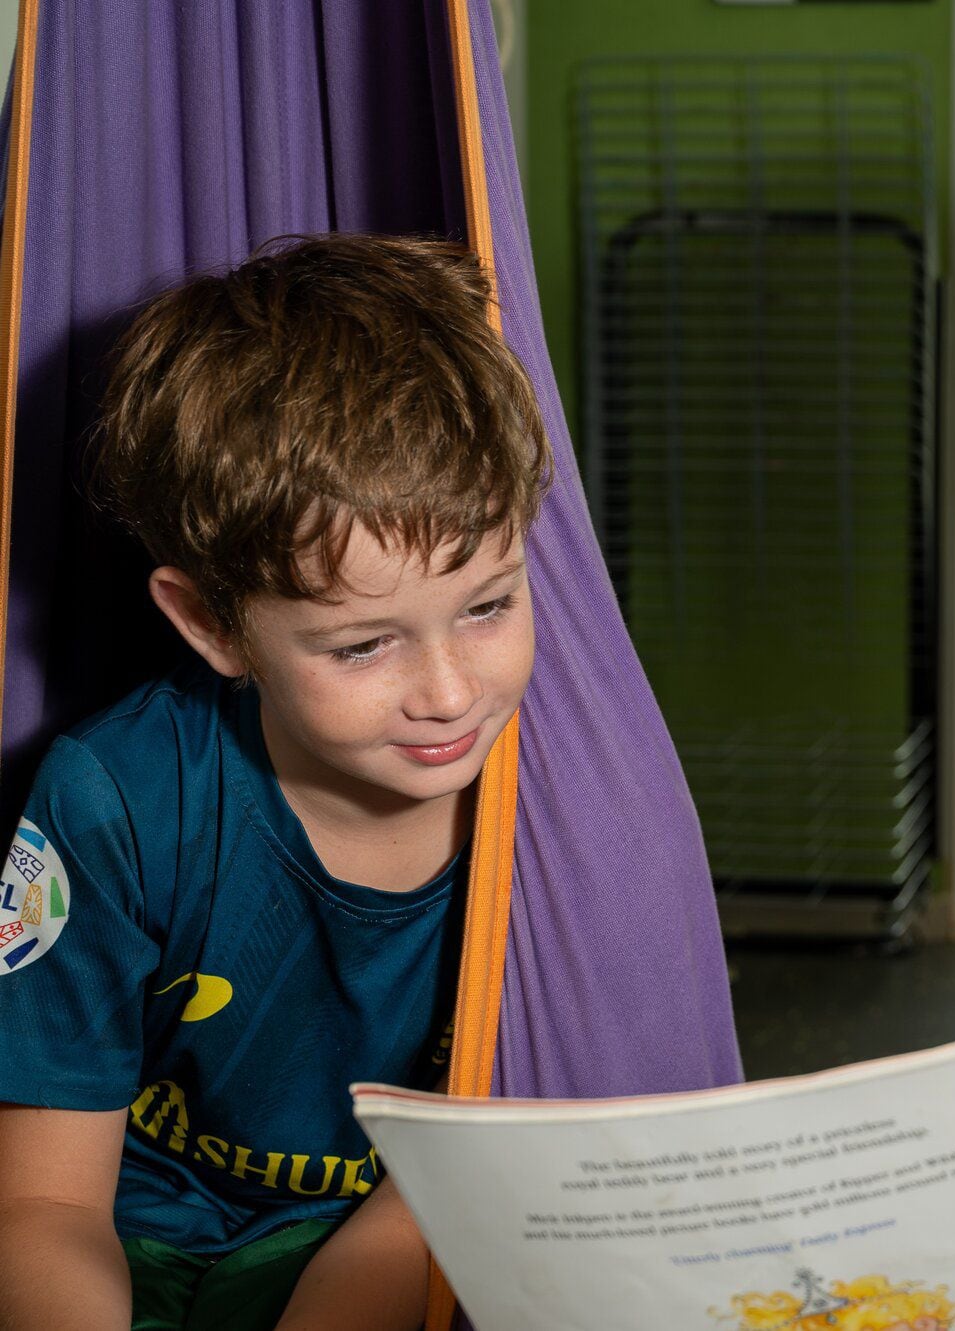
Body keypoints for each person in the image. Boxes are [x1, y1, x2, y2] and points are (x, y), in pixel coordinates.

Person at [0, 234, 547, 1330]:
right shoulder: (115, 798)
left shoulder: (558, 799)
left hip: (391, 1230)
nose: (447, 692)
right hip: (130, 1222)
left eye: (487, 605)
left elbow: (435, 1197)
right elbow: (46, 1200)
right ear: (211, 623)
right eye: (362, 645)